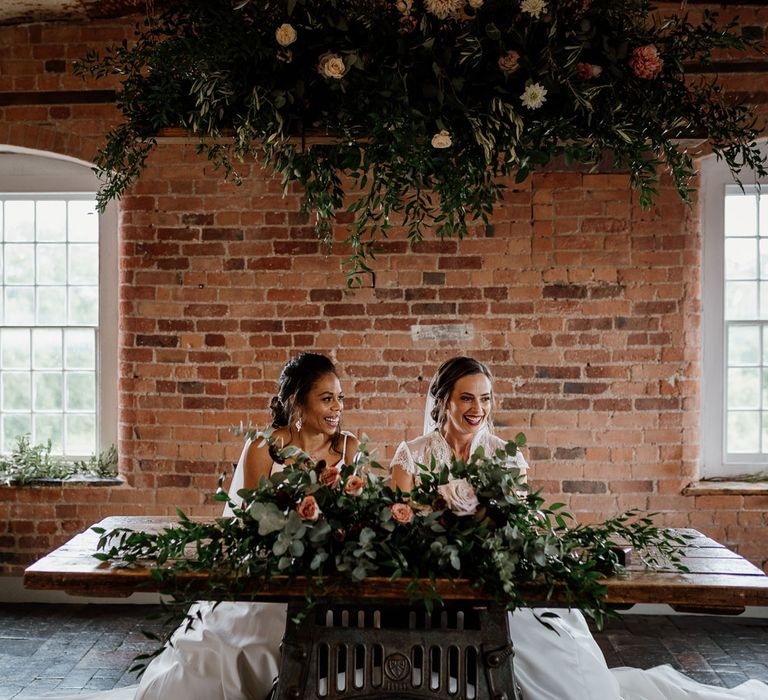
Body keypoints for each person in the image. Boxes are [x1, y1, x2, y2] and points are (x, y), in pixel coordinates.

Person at [390, 355, 768, 700]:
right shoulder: (412, 454)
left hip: (501, 580)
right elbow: (401, 526)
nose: (479, 409)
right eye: (467, 398)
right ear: (443, 401)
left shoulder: (505, 455)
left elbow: (520, 525)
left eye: (486, 398)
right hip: (439, 581)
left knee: (573, 674)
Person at [47, 352, 357, 700]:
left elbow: (352, 514)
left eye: (340, 398)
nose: (337, 408)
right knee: (246, 638)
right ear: (298, 403)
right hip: (269, 570)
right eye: (327, 398)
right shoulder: (263, 447)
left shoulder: (348, 447)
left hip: (324, 570)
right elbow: (252, 521)